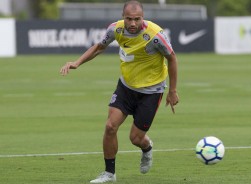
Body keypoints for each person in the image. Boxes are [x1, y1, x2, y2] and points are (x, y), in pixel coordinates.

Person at [60, 0, 179, 183]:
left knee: (135, 138)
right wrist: (77, 62)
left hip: (151, 91)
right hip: (125, 87)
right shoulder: (116, 29)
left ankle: (146, 148)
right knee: (110, 127)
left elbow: (172, 59)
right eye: (128, 19)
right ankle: (109, 173)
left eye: (136, 19)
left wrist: (172, 91)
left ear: (142, 17)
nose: (132, 23)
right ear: (123, 17)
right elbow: (99, 47)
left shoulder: (156, 35)